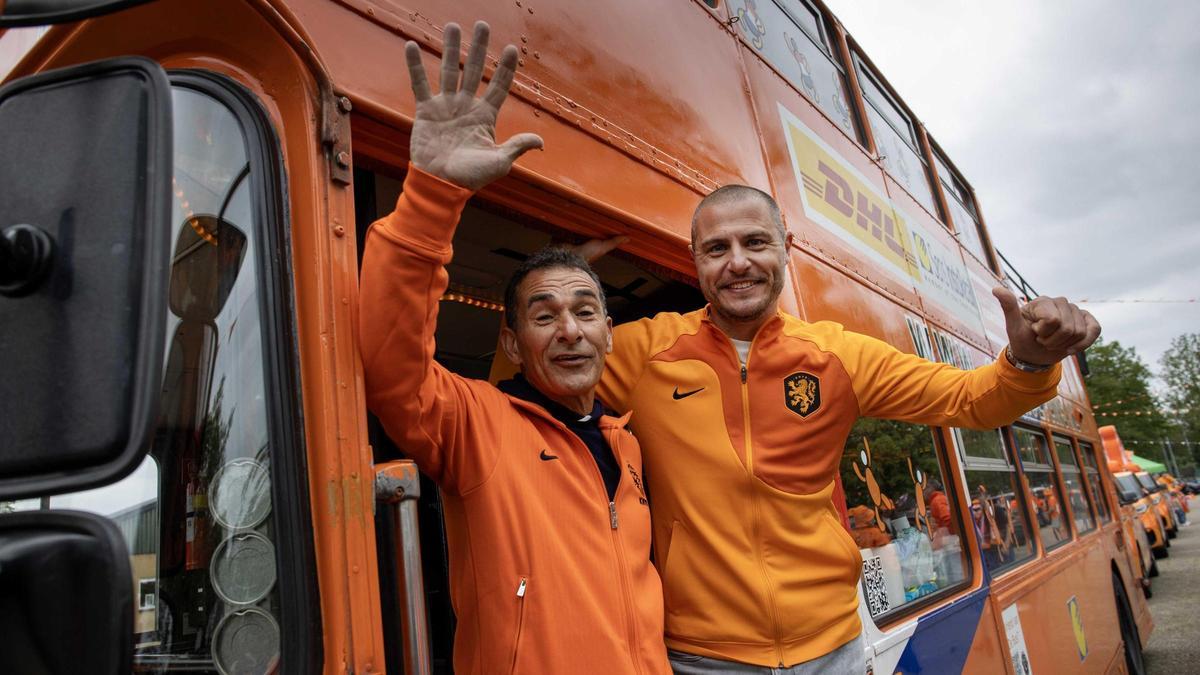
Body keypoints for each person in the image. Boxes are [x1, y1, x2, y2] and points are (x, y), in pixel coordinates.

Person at [593, 185, 1101, 672]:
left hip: (832, 649)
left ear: (786, 248)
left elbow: (972, 400)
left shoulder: (839, 356)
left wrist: (1029, 362)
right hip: (702, 657)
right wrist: (551, 276)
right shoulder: (643, 351)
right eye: (716, 248)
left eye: (755, 242)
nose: (737, 262)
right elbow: (533, 371)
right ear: (696, 259)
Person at [358, 22, 669, 674]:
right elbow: (395, 370)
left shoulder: (626, 442)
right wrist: (433, 196)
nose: (569, 330)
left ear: (609, 331)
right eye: (544, 314)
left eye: (586, 311)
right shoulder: (479, 422)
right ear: (512, 341)